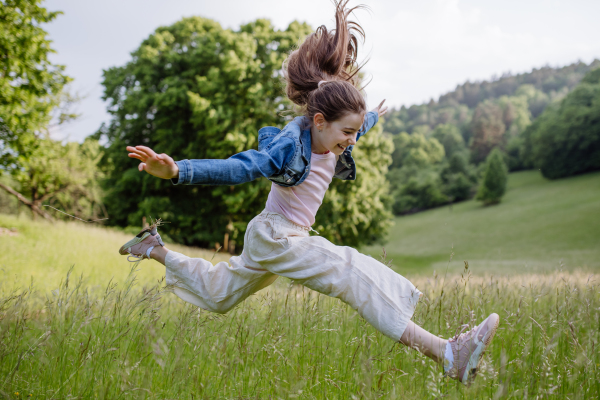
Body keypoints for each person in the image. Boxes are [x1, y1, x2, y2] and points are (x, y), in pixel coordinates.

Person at [119, 0, 498, 385]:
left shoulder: (334, 134)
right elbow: (241, 167)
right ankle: (448, 353)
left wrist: (372, 117)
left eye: (355, 132)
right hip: (276, 234)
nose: (351, 141)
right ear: (319, 121)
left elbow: (356, 124)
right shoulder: (288, 145)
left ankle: (151, 247)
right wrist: (178, 170)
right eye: (346, 133)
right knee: (350, 271)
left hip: (278, 237)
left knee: (218, 295)